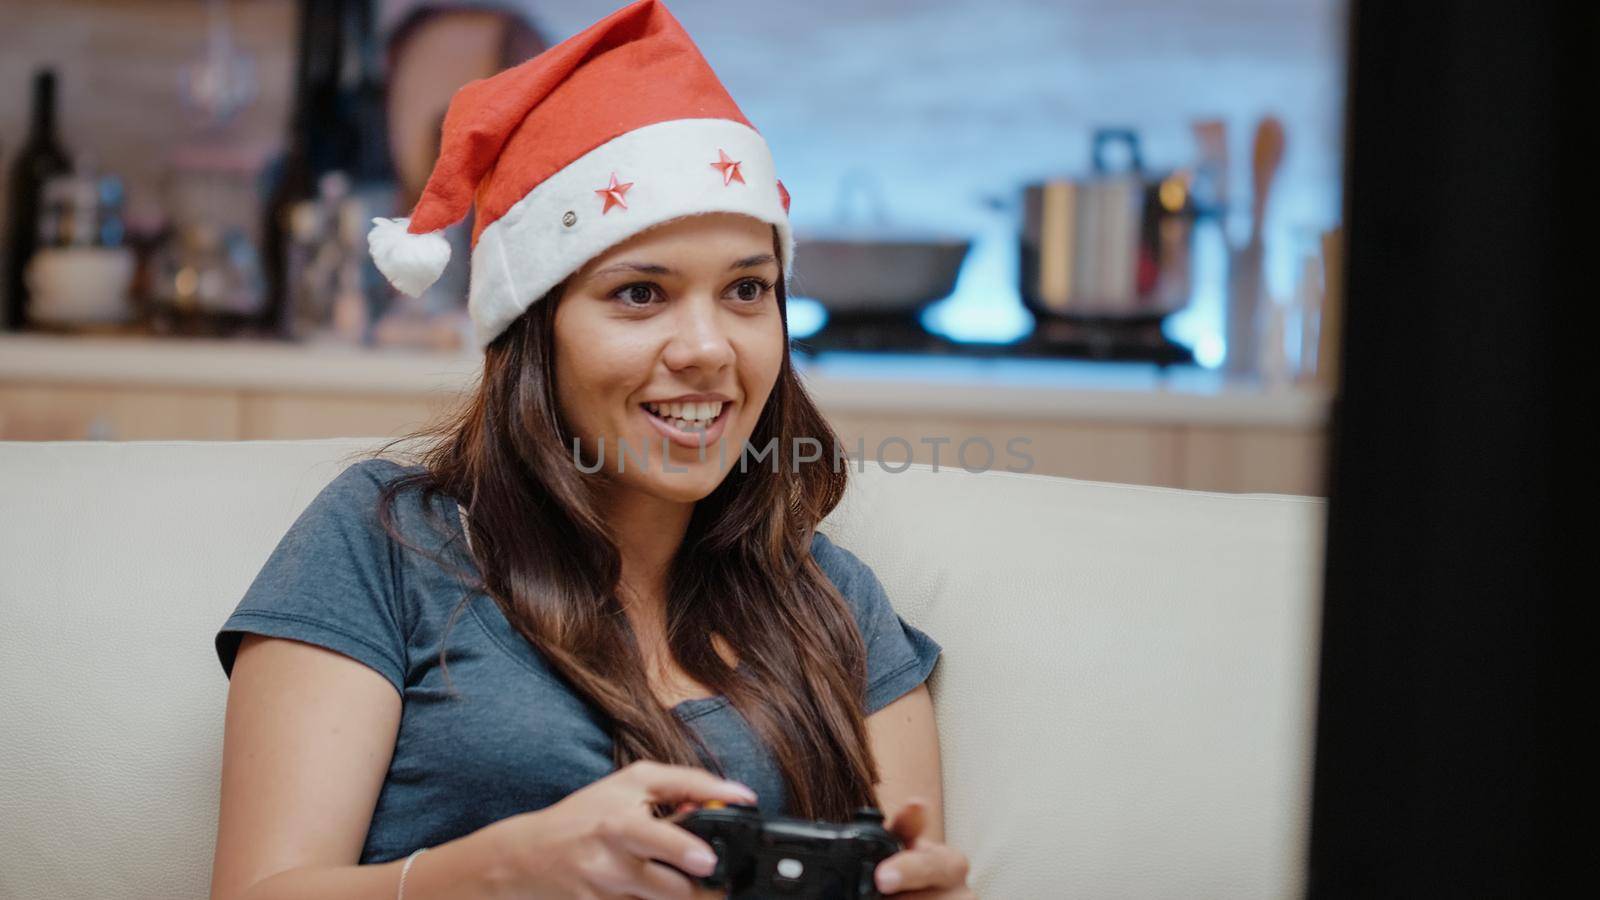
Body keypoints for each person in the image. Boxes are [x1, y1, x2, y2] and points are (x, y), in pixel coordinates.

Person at [209, 2, 971, 898]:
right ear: (537, 334)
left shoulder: (832, 604)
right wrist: (499, 870)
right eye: (641, 293)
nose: (709, 348)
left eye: (747, 289)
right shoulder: (385, 543)